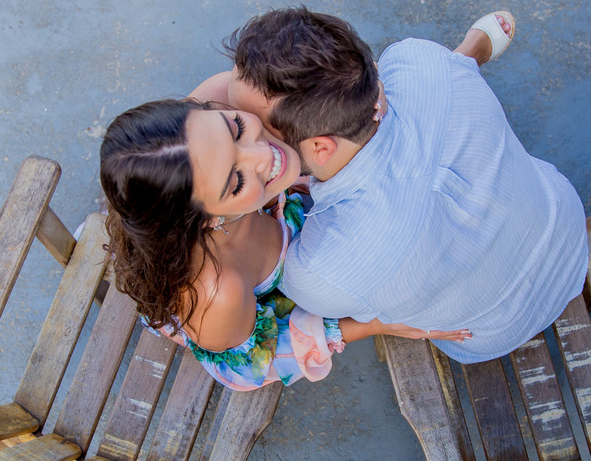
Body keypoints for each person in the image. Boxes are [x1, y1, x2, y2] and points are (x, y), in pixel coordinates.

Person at [195, 8, 588, 364]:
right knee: (446, 76)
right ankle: (466, 58)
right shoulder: (417, 58)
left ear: (319, 147)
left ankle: (465, 60)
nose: (251, 144)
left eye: (256, 129)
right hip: (563, 219)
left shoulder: (314, 272)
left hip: (492, 330)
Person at [99, 100, 471, 391]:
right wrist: (376, 324)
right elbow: (256, 365)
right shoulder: (220, 291)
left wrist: (368, 93)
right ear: (208, 221)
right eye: (235, 181)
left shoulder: (209, 115)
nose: (264, 154)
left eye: (236, 128)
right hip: (236, 317)